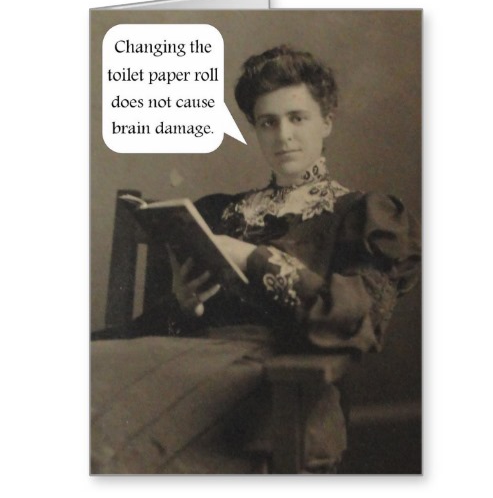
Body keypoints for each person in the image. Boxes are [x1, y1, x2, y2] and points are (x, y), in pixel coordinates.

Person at [95, 45, 421, 472]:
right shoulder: (217, 211)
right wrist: (183, 303)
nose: (283, 135)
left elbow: (358, 320)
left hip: (273, 384)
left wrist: (253, 257)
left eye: (297, 118)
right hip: (187, 363)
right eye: (268, 122)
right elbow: (171, 326)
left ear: (326, 121)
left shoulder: (363, 215)